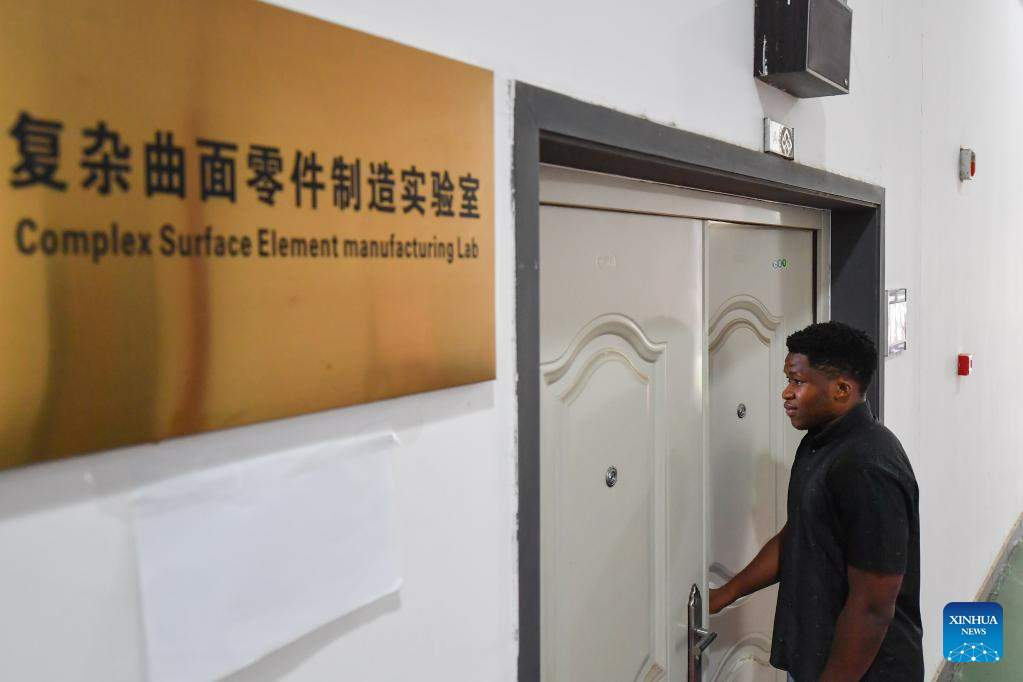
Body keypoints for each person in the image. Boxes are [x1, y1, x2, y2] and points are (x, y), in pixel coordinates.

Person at [709, 321, 922, 681]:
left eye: (798, 381)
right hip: (817, 659)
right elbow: (799, 535)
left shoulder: (868, 465)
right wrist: (723, 595)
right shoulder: (819, 442)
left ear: (841, 389)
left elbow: (873, 608)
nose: (786, 393)